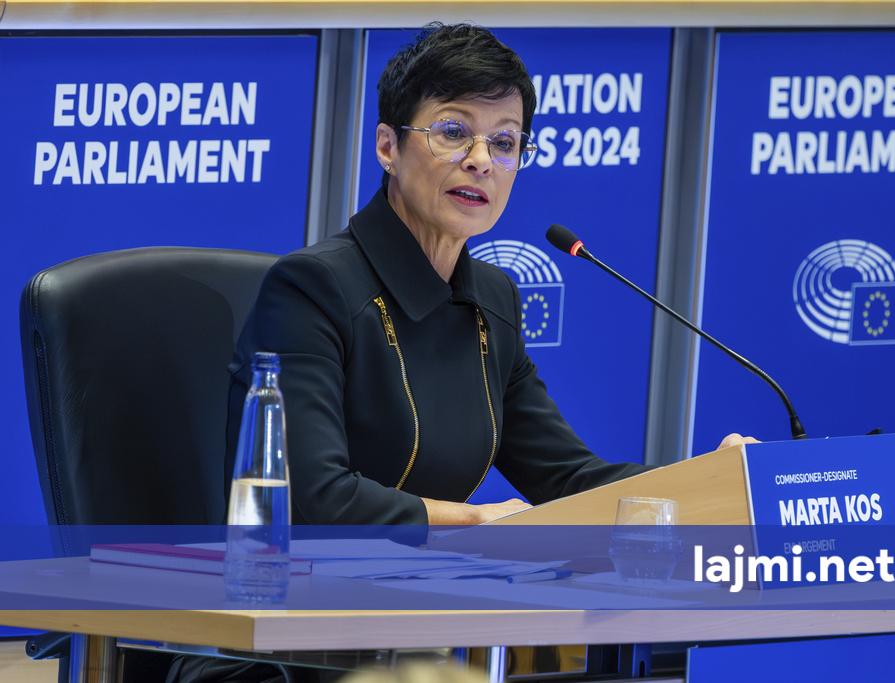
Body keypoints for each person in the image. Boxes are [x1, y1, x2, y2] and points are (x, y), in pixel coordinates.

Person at [172, 22, 753, 683]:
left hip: (415, 632)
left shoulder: (491, 299)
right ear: (387, 146)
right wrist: (477, 520)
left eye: (504, 142)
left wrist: (711, 484)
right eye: (453, 131)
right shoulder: (313, 288)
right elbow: (311, 498)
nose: (481, 160)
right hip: (287, 644)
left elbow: (567, 479)